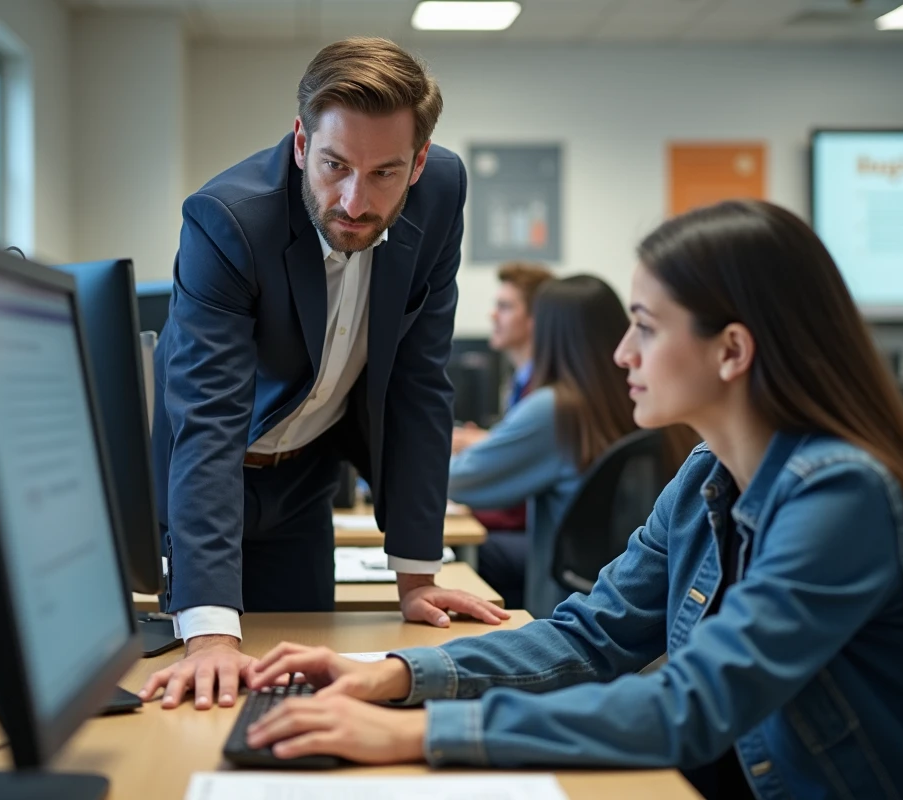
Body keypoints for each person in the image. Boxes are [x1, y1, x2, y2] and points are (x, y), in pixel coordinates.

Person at [234, 201, 903, 799]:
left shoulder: (840, 496)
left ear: (732, 350)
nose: (621, 353)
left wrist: (417, 735)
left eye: (645, 327)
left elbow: (691, 704)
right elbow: (587, 637)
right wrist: (396, 676)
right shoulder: (707, 476)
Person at [140, 38, 509, 712]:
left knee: (298, 688)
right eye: (335, 165)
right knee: (211, 685)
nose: (354, 200)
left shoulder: (441, 193)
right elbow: (208, 423)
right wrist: (211, 635)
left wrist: (416, 577)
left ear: (419, 163)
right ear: (302, 144)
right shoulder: (228, 221)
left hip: (308, 478)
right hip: (209, 474)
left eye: (385, 174)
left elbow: (419, 384)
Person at [449, 275, 642, 617]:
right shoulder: (635, 400)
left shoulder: (556, 407)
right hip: (628, 591)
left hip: (564, 607)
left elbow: (459, 481)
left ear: (548, 333)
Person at [451, 261, 552, 456]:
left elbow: (528, 453)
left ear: (536, 317)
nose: (493, 315)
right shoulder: (520, 380)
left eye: (505, 307)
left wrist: (487, 442)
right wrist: (492, 438)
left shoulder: (546, 388)